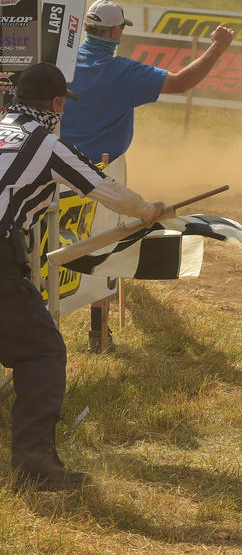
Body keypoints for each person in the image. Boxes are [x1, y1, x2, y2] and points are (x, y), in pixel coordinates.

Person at [0, 63, 166, 491]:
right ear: (57, 104)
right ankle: (35, 468)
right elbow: (105, 189)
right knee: (41, 353)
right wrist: (147, 210)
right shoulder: (46, 145)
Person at [61, 0, 234, 352]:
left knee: (55, 237)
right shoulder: (121, 71)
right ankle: (99, 334)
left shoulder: (61, 63)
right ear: (115, 32)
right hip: (103, 168)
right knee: (106, 242)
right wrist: (217, 48)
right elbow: (182, 81)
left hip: (56, 164)